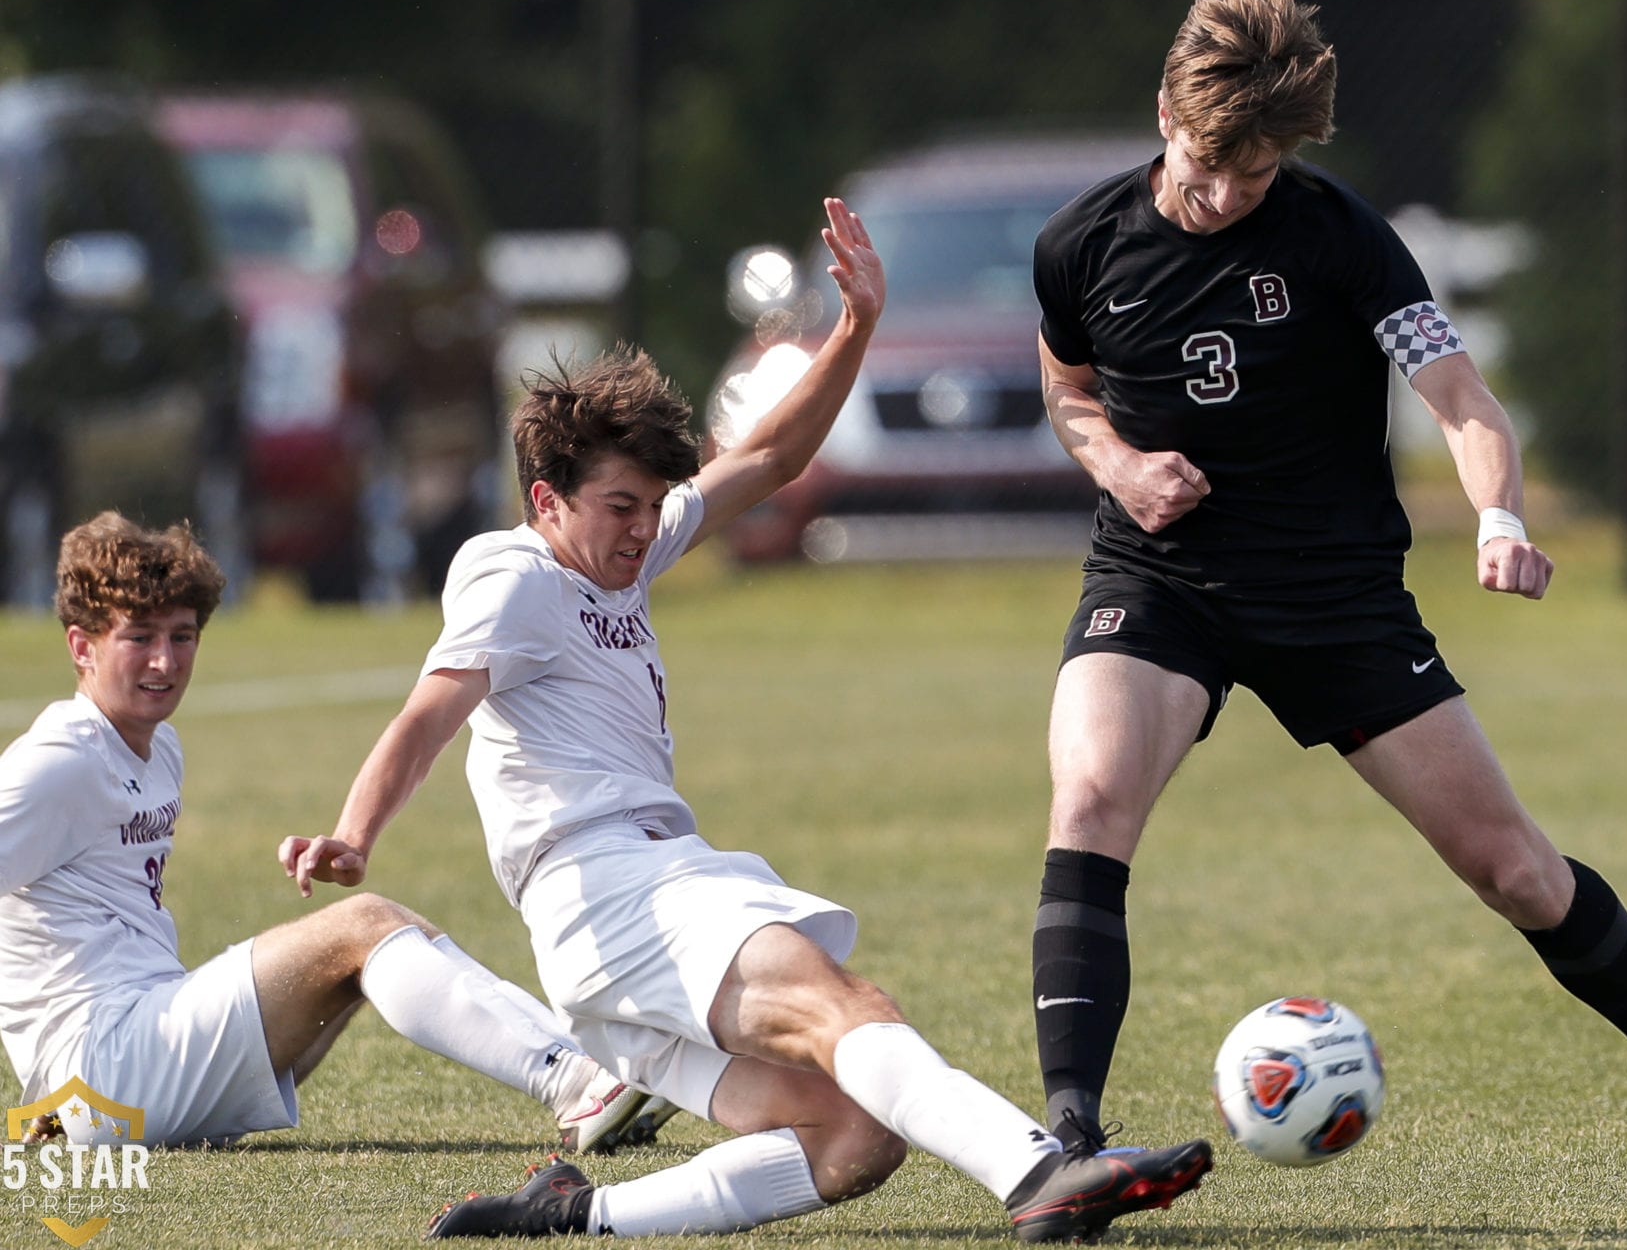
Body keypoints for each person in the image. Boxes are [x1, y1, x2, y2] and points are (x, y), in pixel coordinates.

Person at [1025, 0, 1627, 1228]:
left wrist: (1500, 516)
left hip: (1336, 596)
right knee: (1088, 798)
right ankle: (1072, 1148)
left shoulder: (1338, 235)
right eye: (1208, 167)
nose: (1228, 195)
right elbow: (1070, 387)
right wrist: (1120, 466)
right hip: (1162, 577)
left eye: (1256, 173)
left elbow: (1459, 396)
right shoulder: (1080, 243)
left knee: (1517, 870)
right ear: (1164, 117)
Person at [278, 198, 1211, 1243]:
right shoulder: (514, 573)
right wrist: (354, 831)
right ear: (546, 500)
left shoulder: (619, 556)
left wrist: (854, 327)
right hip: (616, 887)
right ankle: (1041, 1173)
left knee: (853, 1134)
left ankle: (574, 1216)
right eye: (620, 507)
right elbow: (427, 716)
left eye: (653, 505)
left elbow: (769, 457)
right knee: (850, 1008)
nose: (645, 529)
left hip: (615, 924)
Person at [0, 512, 662, 1153]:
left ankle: (597, 1074)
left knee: (390, 936)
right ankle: (573, 1084)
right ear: (82, 647)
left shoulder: (156, 747)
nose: (165, 661)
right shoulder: (62, 760)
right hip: (99, 1068)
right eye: (139, 638)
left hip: (132, 1048)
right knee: (362, 926)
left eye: (182, 635)